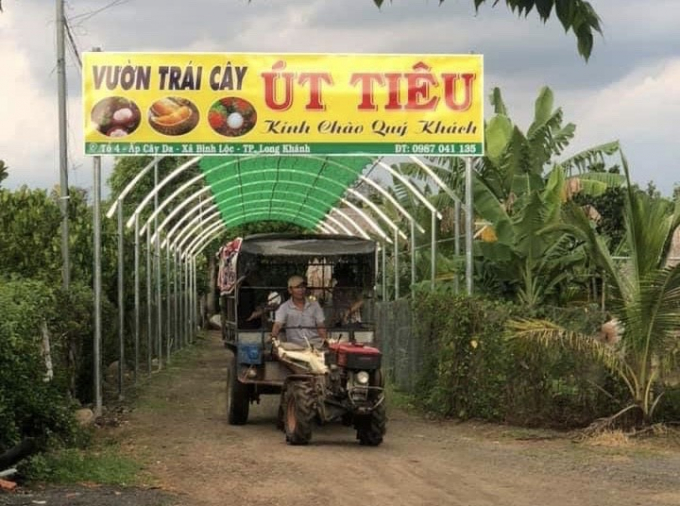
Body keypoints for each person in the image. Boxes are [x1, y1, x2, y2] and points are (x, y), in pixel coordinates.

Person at [271, 275, 327, 347]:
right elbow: (277, 325)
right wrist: (273, 338)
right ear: (290, 290)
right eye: (297, 287)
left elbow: (321, 325)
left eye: (303, 287)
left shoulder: (315, 305)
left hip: (314, 343)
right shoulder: (284, 308)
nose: (301, 290)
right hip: (294, 345)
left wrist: (325, 341)